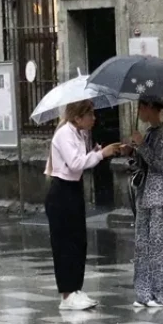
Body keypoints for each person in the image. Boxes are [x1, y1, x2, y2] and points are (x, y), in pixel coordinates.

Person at [44, 100, 122, 310]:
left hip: (74, 188)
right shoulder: (64, 134)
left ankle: (76, 288)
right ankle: (66, 293)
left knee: (78, 241)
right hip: (61, 191)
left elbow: (82, 159)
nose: (94, 118)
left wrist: (95, 151)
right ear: (78, 117)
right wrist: (100, 154)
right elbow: (75, 163)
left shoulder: (80, 134)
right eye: (90, 115)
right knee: (64, 243)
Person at [128, 95, 163, 307]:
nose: (139, 112)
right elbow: (145, 162)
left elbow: (159, 163)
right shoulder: (151, 132)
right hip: (146, 195)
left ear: (150, 107)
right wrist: (133, 150)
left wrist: (142, 145)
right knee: (143, 244)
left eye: (140, 107)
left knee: (160, 246)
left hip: (161, 196)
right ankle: (145, 292)